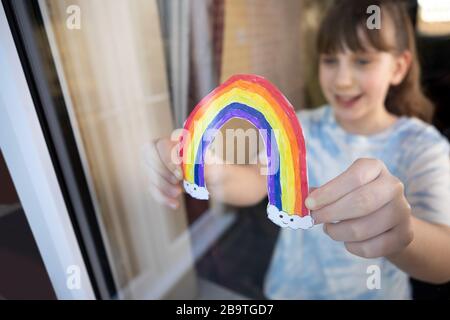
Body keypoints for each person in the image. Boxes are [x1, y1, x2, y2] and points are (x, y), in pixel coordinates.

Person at [143, 0, 450, 299]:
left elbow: (444, 259)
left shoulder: (422, 147)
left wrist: (401, 232)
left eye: (362, 60)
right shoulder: (300, 127)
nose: (342, 80)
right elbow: (255, 181)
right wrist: (207, 169)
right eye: (330, 60)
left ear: (398, 68)